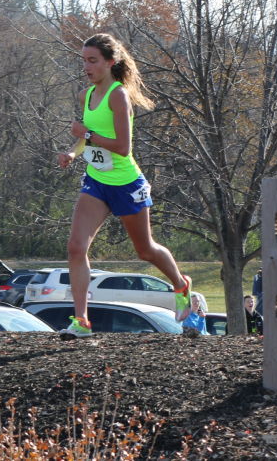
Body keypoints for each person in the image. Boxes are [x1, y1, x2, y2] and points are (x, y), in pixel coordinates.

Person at [57, 33, 192, 337]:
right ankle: (81, 321)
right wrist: (72, 151)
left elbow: (121, 146)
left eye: (92, 61)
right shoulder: (86, 95)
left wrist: (87, 136)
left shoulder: (118, 96)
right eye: (84, 60)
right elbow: (85, 136)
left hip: (126, 183)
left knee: (145, 250)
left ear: (110, 62)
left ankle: (181, 284)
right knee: (76, 248)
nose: (86, 66)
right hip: (96, 180)